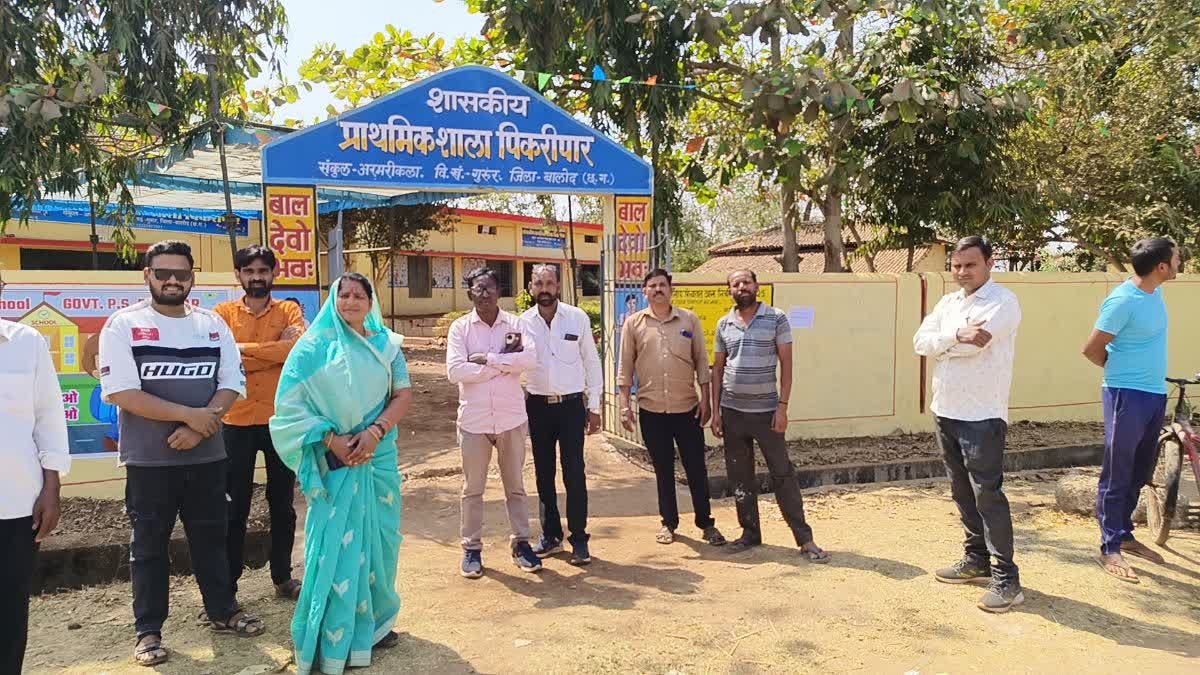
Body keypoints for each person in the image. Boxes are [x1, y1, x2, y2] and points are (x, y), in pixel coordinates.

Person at [98, 240, 263, 666]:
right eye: (163, 273)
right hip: (149, 461)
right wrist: (191, 417)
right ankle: (148, 631)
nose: (173, 280)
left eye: (181, 274)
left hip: (207, 457)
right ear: (147, 275)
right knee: (149, 546)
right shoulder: (124, 325)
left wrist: (199, 428)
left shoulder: (211, 324)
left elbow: (231, 382)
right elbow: (123, 392)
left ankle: (223, 611)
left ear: (192, 278)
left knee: (211, 539)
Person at [270, 273, 413, 674]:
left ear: (370, 302)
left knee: (382, 539)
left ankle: (377, 624)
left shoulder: (387, 345)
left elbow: (402, 394)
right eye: (343, 295)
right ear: (333, 301)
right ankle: (334, 635)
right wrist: (331, 439)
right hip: (335, 459)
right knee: (333, 545)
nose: (350, 301)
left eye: (358, 295)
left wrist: (374, 431)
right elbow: (289, 407)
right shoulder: (311, 349)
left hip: (378, 456)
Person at [913, 236, 1024, 613]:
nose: (962, 272)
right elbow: (920, 343)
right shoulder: (948, 303)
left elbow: (977, 343)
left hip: (982, 414)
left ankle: (1007, 580)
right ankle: (976, 560)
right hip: (945, 408)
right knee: (961, 491)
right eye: (957, 266)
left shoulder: (1003, 302)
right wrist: (955, 336)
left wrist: (944, 345)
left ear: (989, 263)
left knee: (987, 495)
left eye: (970, 265)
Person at [711, 270, 829, 562]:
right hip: (732, 413)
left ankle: (805, 539)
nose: (742, 287)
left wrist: (783, 406)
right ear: (730, 290)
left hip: (767, 413)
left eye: (746, 282)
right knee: (740, 476)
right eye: (736, 284)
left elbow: (787, 364)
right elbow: (718, 369)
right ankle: (750, 533)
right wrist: (716, 412)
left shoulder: (776, 318)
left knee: (783, 474)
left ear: (756, 286)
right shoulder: (723, 324)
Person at [1081, 237, 1179, 583]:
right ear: (1161, 267)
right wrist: (1120, 372)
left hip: (1153, 394)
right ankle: (1109, 547)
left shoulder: (1154, 292)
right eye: (1176, 258)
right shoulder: (1122, 300)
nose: (1180, 262)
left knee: (1139, 470)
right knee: (1118, 472)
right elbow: (1091, 349)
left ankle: (1123, 534)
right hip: (1125, 394)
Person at [213, 246, 307, 601]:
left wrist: (243, 350)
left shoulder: (289, 310)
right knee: (233, 506)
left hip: (280, 420)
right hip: (234, 420)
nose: (256, 277)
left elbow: (294, 351)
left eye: (263, 271)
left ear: (273, 274)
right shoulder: (221, 313)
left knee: (281, 503)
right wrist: (271, 351)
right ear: (238, 275)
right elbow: (223, 356)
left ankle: (282, 577)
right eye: (249, 271)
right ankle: (228, 586)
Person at [618, 268, 726, 547]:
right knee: (663, 470)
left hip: (687, 408)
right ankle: (668, 523)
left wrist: (706, 400)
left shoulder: (688, 319)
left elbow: (701, 361)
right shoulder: (633, 324)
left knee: (696, 468)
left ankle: (706, 523)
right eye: (652, 286)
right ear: (645, 292)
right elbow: (625, 366)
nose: (657, 289)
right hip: (652, 410)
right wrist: (623, 406)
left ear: (670, 290)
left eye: (662, 285)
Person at [446, 267, 541, 578]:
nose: (484, 293)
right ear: (469, 293)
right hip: (474, 422)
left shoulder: (515, 324)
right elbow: (455, 371)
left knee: (516, 487)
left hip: (511, 419)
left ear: (500, 291)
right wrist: (502, 367)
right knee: (472, 489)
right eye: (478, 288)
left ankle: (521, 544)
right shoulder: (460, 329)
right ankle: (471, 548)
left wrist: (488, 359)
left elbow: (529, 359)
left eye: (489, 287)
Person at [0, 269, 71, 674]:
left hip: (16, 504)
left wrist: (51, 487)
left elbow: (48, 417)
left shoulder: (27, 342)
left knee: (10, 609)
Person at [521, 264, 603, 565]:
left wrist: (594, 406)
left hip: (571, 407)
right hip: (537, 407)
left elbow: (591, 362)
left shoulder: (577, 318)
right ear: (531, 287)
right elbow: (513, 366)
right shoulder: (522, 323)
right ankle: (551, 535)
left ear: (558, 286)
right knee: (543, 474)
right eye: (539, 283)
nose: (544, 289)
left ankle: (579, 538)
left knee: (574, 473)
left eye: (549, 283)